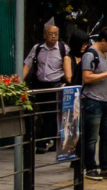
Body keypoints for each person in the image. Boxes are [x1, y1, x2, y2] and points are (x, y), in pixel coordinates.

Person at [20, 23, 73, 152]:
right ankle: (53, 140)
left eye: (56, 34)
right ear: (45, 35)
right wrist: (19, 81)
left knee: (51, 114)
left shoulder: (63, 48)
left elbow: (69, 66)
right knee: (45, 113)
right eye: (50, 34)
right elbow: (27, 65)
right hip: (41, 85)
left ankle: (42, 143)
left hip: (56, 85)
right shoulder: (38, 48)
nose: (53, 36)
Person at [79, 29, 107, 179]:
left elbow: (103, 78)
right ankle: (90, 168)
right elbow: (87, 77)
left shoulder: (106, 55)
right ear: (103, 41)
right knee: (91, 138)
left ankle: (105, 167)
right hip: (92, 100)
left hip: (105, 100)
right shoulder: (90, 55)